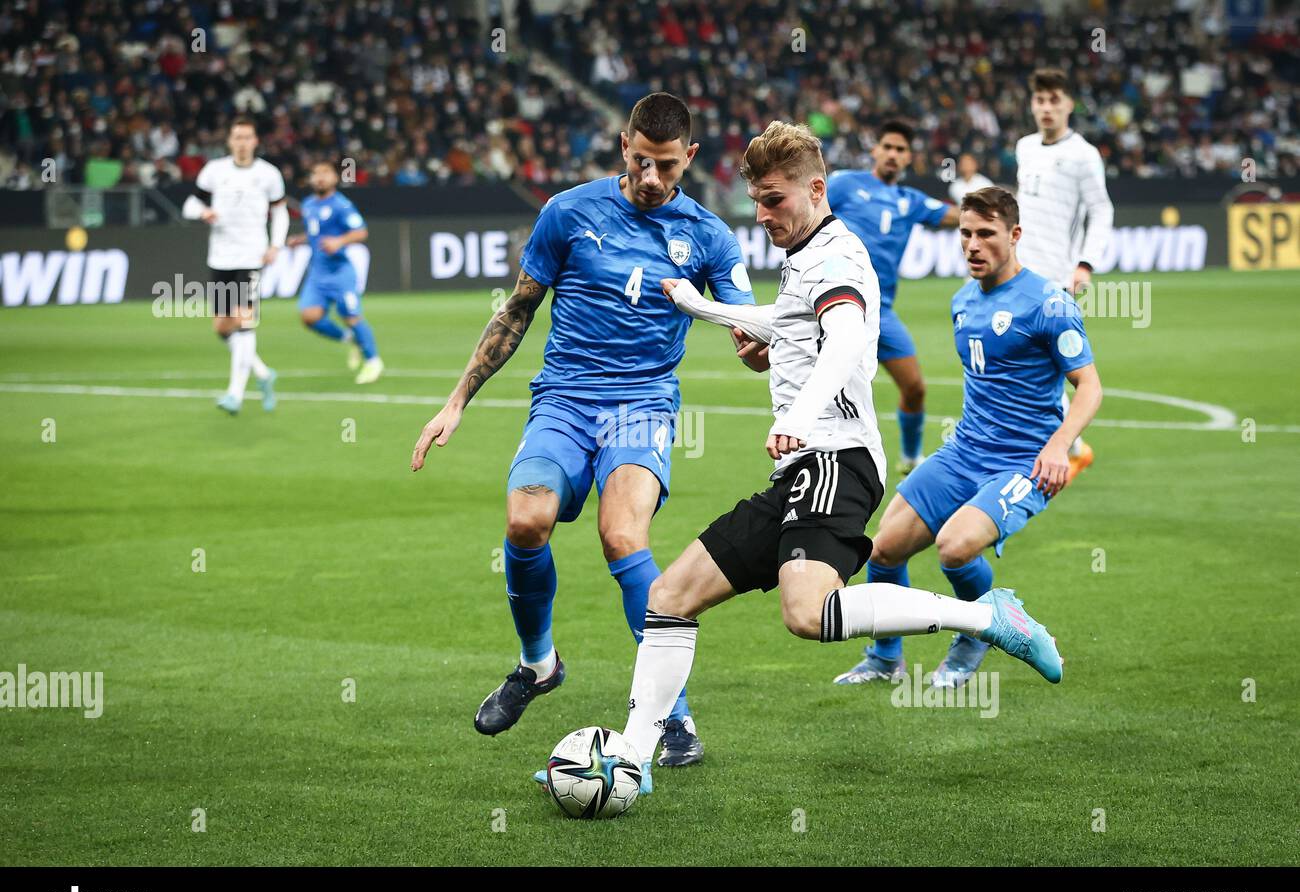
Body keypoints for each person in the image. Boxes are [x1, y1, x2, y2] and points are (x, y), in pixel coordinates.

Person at [613, 124, 1063, 788]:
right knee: (669, 597)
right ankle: (629, 760)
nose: (761, 217)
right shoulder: (808, 254)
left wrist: (797, 414)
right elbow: (795, 322)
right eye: (756, 203)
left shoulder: (835, 258)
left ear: (815, 190)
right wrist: (703, 308)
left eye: (773, 201)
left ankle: (985, 615)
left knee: (808, 612)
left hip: (834, 459)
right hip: (803, 467)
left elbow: (848, 338)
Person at [410, 93, 755, 769]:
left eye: (666, 166)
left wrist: (759, 345)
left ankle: (672, 719)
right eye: (641, 161)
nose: (652, 179)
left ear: (688, 157)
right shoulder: (567, 212)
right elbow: (517, 311)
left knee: (623, 536)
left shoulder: (711, 236)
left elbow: (751, 330)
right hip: (564, 400)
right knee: (524, 523)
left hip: (643, 406)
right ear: (623, 144)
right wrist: (457, 401)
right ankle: (537, 665)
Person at [834, 186, 1101, 689]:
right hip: (965, 451)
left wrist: (1060, 444)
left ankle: (979, 631)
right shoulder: (962, 301)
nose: (973, 245)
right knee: (884, 549)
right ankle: (884, 657)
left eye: (986, 234)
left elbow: (1089, 386)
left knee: (955, 549)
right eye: (966, 234)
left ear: (1015, 235)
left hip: (1025, 461)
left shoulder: (1049, 303)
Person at [827, 120, 960, 474]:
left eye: (900, 150)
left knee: (914, 387)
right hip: (836, 303)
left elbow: (957, 216)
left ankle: (911, 458)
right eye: (887, 146)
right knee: (831, 389)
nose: (892, 154)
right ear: (875, 150)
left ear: (908, 159)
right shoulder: (844, 184)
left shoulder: (909, 200)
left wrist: (993, 210)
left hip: (880, 310)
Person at [1015, 68, 1114, 483]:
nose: (1046, 108)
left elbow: (1101, 209)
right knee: (1025, 362)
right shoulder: (1024, 148)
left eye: (1055, 100)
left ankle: (1065, 447)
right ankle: (1068, 447)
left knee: (1060, 366)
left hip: (1057, 278)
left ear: (1069, 104)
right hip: (1019, 274)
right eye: (1040, 100)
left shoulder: (1083, 154)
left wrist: (1085, 264)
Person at [182, 116, 286, 415]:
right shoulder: (215, 171)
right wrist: (203, 213)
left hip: (251, 257)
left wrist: (275, 245)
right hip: (221, 257)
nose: (242, 143)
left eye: (247, 137)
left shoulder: (268, 174)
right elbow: (191, 204)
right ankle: (264, 374)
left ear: (255, 141)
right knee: (222, 325)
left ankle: (235, 394)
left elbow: (280, 212)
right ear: (229, 141)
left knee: (244, 321)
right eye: (236, 137)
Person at [289, 161, 383, 384]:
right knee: (309, 317)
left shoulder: (342, 205)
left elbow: (361, 232)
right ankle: (350, 339)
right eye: (315, 173)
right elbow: (315, 233)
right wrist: (299, 240)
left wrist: (340, 241)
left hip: (340, 273)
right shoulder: (309, 204)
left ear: (334, 178)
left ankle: (373, 362)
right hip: (317, 275)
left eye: (325, 173)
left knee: (351, 316)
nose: (320, 178)